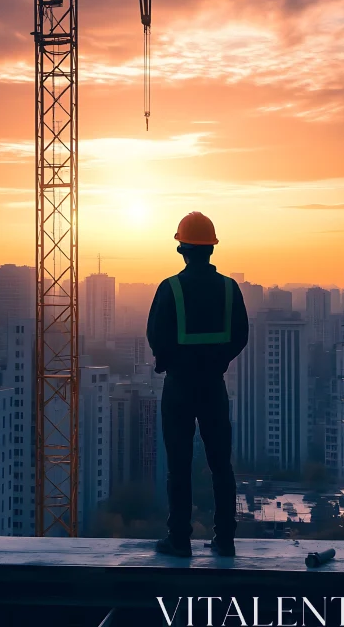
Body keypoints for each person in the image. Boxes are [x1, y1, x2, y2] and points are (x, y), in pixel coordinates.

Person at [147, 211, 249, 558]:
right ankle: (225, 540)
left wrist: (169, 363)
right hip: (213, 386)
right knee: (221, 464)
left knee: (179, 464)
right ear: (211, 250)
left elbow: (156, 336)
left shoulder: (170, 289)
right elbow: (240, 336)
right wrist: (219, 361)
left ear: (182, 249)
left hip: (178, 387)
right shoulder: (229, 289)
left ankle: (179, 539)